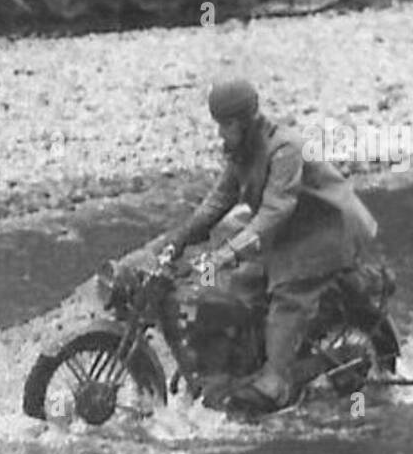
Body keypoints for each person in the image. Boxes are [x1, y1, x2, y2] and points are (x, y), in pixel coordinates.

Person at [146, 79, 379, 413]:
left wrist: (226, 254)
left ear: (244, 121)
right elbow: (219, 199)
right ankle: (241, 365)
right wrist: (180, 238)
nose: (220, 134)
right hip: (290, 232)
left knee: (288, 294)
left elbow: (275, 211)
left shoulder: (285, 148)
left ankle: (275, 381)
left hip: (325, 232)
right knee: (241, 284)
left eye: (226, 125)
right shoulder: (243, 151)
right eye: (219, 126)